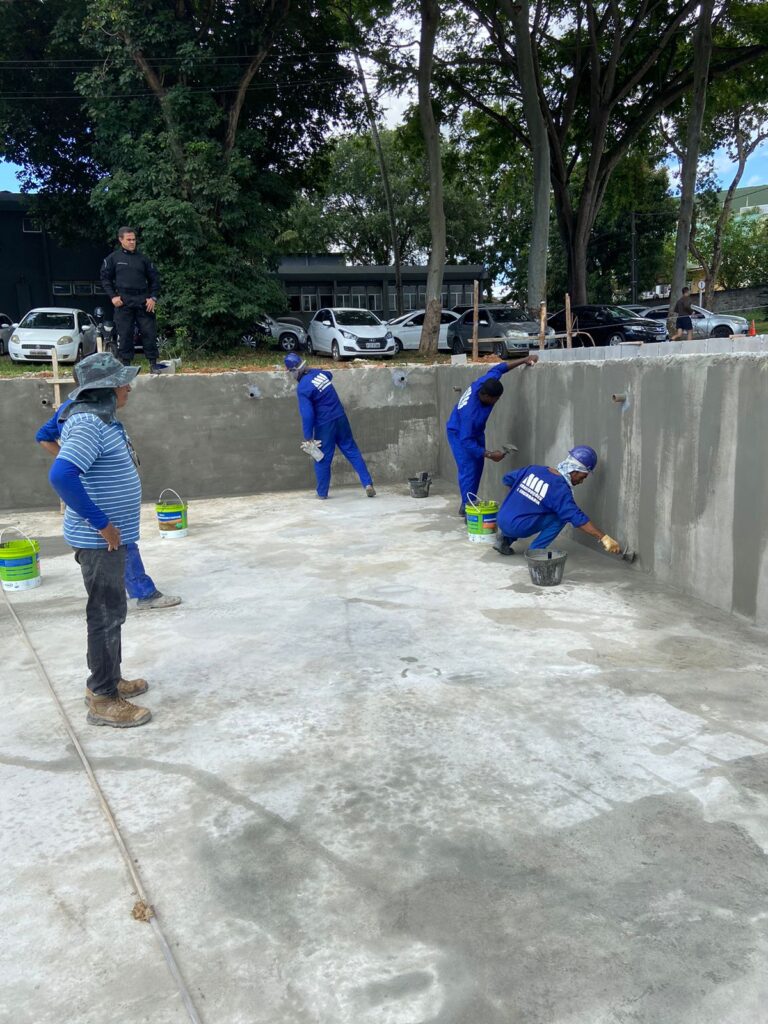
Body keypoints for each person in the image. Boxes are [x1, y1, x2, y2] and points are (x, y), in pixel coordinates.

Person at [48, 352, 154, 728]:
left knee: (113, 612)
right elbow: (61, 476)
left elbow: (48, 435)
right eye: (122, 382)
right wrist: (102, 523)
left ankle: (110, 681)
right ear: (105, 389)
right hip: (99, 541)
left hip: (110, 539)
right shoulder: (88, 423)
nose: (128, 387)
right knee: (106, 615)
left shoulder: (104, 420)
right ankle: (103, 698)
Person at [36, 392, 181, 611]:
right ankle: (142, 594)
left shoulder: (95, 411)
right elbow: (48, 446)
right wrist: (73, 461)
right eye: (123, 385)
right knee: (116, 545)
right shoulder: (83, 417)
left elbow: (44, 438)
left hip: (108, 503)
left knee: (122, 543)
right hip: (99, 505)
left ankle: (139, 592)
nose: (130, 389)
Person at [446, 354, 538, 516]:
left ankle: (468, 502)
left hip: (475, 431)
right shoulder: (471, 414)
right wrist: (489, 454)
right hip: (459, 432)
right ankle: (469, 509)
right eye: (495, 399)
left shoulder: (485, 383)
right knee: (468, 468)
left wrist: (524, 359)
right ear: (486, 396)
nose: (496, 402)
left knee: (477, 465)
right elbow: (466, 441)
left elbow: (500, 369)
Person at [493, 445, 622, 556]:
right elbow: (576, 517)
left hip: (501, 519)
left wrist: (524, 496)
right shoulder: (560, 490)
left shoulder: (534, 469)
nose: (581, 482)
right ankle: (535, 552)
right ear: (574, 471)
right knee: (561, 517)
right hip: (518, 528)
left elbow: (507, 479)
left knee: (527, 506)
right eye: (583, 477)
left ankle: (504, 540)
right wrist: (603, 537)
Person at [284, 353, 376, 499]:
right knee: (351, 449)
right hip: (340, 418)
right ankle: (367, 483)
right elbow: (328, 375)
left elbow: (307, 415)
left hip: (325, 425)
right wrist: (311, 370)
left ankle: (322, 493)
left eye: (290, 372)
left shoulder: (303, 388)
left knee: (322, 458)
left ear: (293, 371)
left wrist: (308, 437)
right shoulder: (320, 374)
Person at [100, 226, 166, 372]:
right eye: (128, 239)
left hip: (143, 299)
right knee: (125, 333)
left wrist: (153, 298)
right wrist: (113, 296)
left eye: (134, 239)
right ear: (121, 240)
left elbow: (155, 279)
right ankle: (126, 364)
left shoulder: (143, 259)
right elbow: (105, 279)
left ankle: (153, 363)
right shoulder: (113, 258)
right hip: (123, 300)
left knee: (149, 332)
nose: (132, 242)